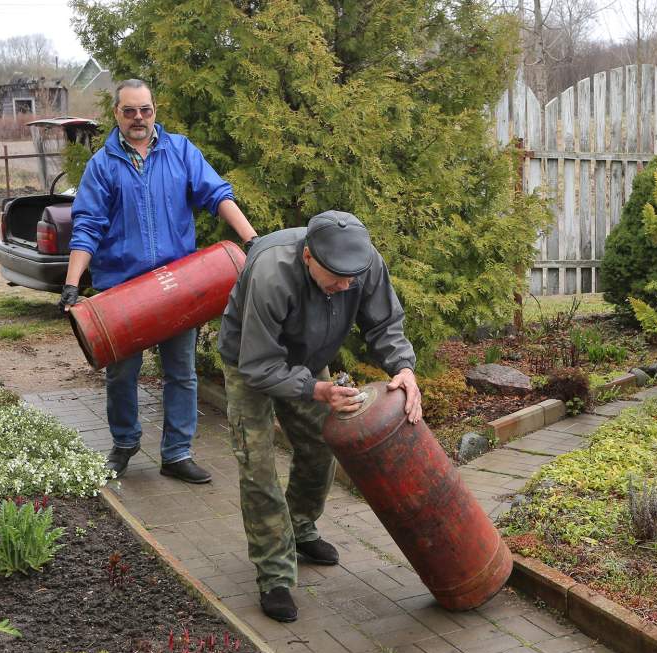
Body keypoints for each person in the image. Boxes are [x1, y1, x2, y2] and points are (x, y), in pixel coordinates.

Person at [217, 210, 422, 622]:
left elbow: (384, 323)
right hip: (250, 363)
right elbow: (259, 365)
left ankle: (300, 527)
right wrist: (317, 390)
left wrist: (402, 367)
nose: (347, 286)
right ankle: (274, 574)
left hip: (309, 361)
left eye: (352, 278)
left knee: (320, 447)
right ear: (309, 257)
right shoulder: (271, 271)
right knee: (257, 465)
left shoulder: (361, 262)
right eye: (337, 278)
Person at [60, 78, 259, 484]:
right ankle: (124, 444)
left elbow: (217, 194)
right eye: (129, 111)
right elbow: (87, 227)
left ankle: (177, 453)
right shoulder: (102, 165)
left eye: (145, 110)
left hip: (176, 286)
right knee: (120, 374)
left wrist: (252, 240)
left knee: (181, 373)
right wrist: (71, 284)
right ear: (116, 114)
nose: (138, 118)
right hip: (121, 290)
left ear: (155, 111)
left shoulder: (180, 151)